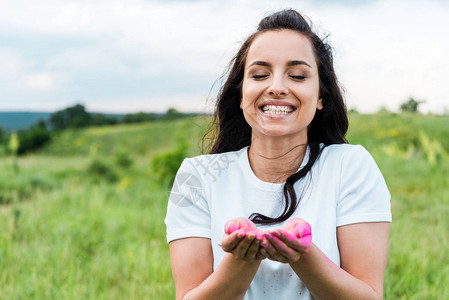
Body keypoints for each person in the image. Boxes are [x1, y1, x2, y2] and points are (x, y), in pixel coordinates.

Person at [165, 9, 391, 300]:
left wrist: (303, 255)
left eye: (297, 75)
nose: (277, 88)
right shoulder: (195, 178)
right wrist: (241, 261)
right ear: (241, 94)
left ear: (321, 96)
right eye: (260, 75)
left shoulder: (351, 166)